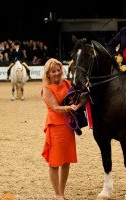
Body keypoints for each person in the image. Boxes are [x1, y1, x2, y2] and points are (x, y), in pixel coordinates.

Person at [41, 58, 81, 200]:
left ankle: (61, 193)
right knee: (54, 162)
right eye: (53, 71)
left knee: (66, 161)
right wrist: (69, 107)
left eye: (59, 70)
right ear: (48, 74)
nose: (57, 73)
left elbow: (75, 99)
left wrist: (79, 102)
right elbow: (56, 108)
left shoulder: (67, 83)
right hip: (55, 127)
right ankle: (57, 195)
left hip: (68, 127)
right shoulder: (47, 89)